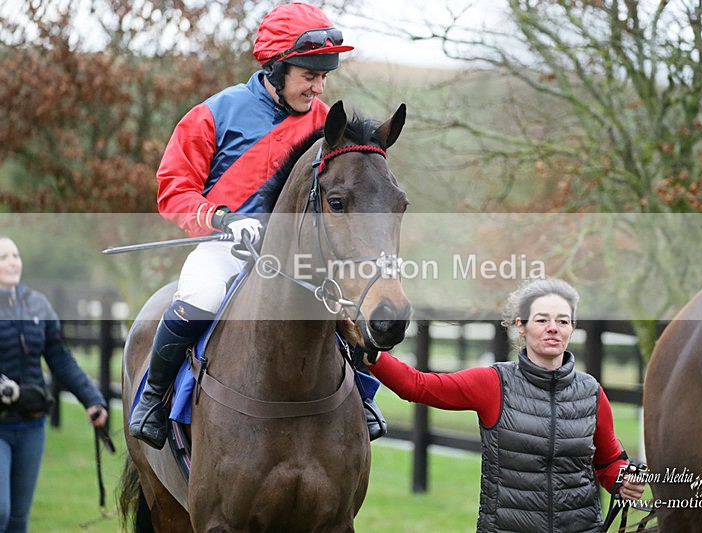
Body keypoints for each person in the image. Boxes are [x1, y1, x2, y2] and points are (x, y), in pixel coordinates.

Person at [129, 2, 389, 449]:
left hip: (298, 255)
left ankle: (361, 398)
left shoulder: (330, 125)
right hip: (226, 245)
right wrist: (219, 219)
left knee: (351, 304)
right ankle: (152, 400)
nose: (318, 86)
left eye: (324, 77)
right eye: (309, 75)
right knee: (201, 296)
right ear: (276, 67)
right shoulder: (214, 113)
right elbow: (174, 188)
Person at [364, 277, 646, 533]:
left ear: (572, 328)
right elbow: (418, 386)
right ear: (520, 326)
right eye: (541, 320)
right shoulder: (492, 383)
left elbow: (609, 461)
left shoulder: (591, 392)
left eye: (563, 321)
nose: (553, 329)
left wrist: (624, 481)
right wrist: (370, 352)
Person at [0, 236, 109, 533]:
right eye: (3, 257)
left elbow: (59, 358)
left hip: (32, 427)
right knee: (1, 510)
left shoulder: (38, 304)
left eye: (15, 255)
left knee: (18, 519)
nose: (12, 262)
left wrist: (92, 399)